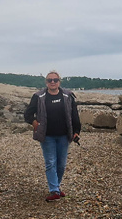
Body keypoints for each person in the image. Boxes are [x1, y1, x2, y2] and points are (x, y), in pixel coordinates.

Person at [23, 70, 82, 201]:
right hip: (47, 136)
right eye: (50, 80)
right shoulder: (39, 96)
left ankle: (56, 186)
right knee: (50, 162)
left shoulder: (68, 96)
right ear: (46, 82)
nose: (53, 82)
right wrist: (35, 124)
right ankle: (54, 190)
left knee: (61, 164)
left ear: (59, 81)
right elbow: (27, 114)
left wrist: (77, 131)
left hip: (64, 136)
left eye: (55, 80)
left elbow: (74, 115)